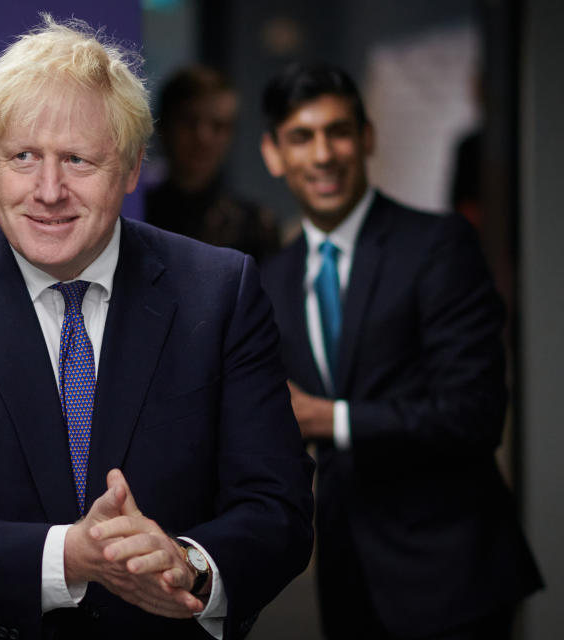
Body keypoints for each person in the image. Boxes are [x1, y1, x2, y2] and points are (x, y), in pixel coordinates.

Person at [0, 16, 314, 640]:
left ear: (134, 167)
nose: (48, 190)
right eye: (23, 157)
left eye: (78, 160)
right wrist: (68, 557)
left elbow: (277, 509)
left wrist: (190, 564)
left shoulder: (221, 292)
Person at [258, 62, 542, 639]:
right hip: (345, 576)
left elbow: (476, 413)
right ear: (273, 154)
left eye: (338, 132)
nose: (323, 155)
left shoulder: (438, 246)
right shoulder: (268, 280)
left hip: (452, 576)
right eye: (301, 137)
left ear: (367, 138)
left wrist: (327, 418)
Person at [145, 65, 280, 262]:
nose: (203, 138)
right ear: (163, 126)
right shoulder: (134, 214)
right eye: (190, 122)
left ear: (231, 135)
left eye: (218, 126)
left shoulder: (255, 226)